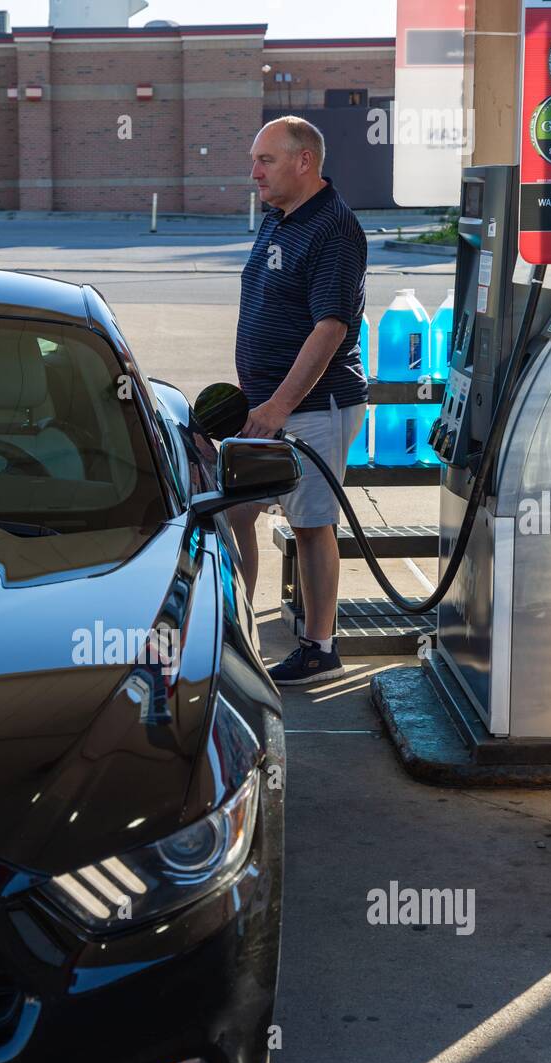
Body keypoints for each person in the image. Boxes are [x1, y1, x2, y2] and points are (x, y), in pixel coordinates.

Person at [231, 116, 368, 685]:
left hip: (315, 407)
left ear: (303, 161)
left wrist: (278, 406)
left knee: (312, 526)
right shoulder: (278, 219)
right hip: (268, 404)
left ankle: (319, 645)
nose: (254, 171)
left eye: (266, 159)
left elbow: (331, 327)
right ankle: (236, 632)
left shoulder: (333, 228)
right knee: (234, 510)